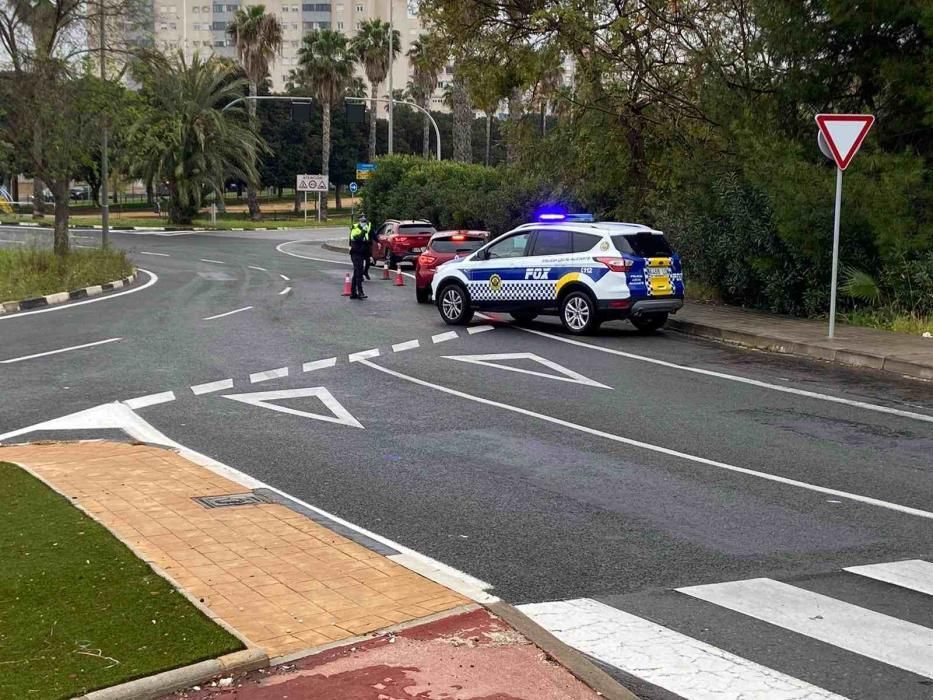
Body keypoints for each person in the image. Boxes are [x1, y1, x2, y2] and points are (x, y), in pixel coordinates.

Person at [348, 216, 369, 299]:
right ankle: (360, 292)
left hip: (361, 254)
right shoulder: (355, 229)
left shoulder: (365, 230)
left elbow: (366, 242)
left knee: (357, 272)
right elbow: (359, 238)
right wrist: (364, 231)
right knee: (359, 273)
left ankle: (353, 293)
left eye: (365, 221)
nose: (364, 223)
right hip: (355, 254)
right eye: (362, 221)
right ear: (359, 222)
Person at [360, 215, 375, 280]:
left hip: (367, 246)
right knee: (360, 262)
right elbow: (352, 236)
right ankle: (361, 275)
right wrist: (350, 245)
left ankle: (365, 272)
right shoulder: (356, 227)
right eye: (362, 221)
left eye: (364, 221)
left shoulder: (369, 226)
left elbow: (373, 234)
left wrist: (378, 242)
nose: (363, 222)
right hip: (359, 246)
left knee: (368, 262)